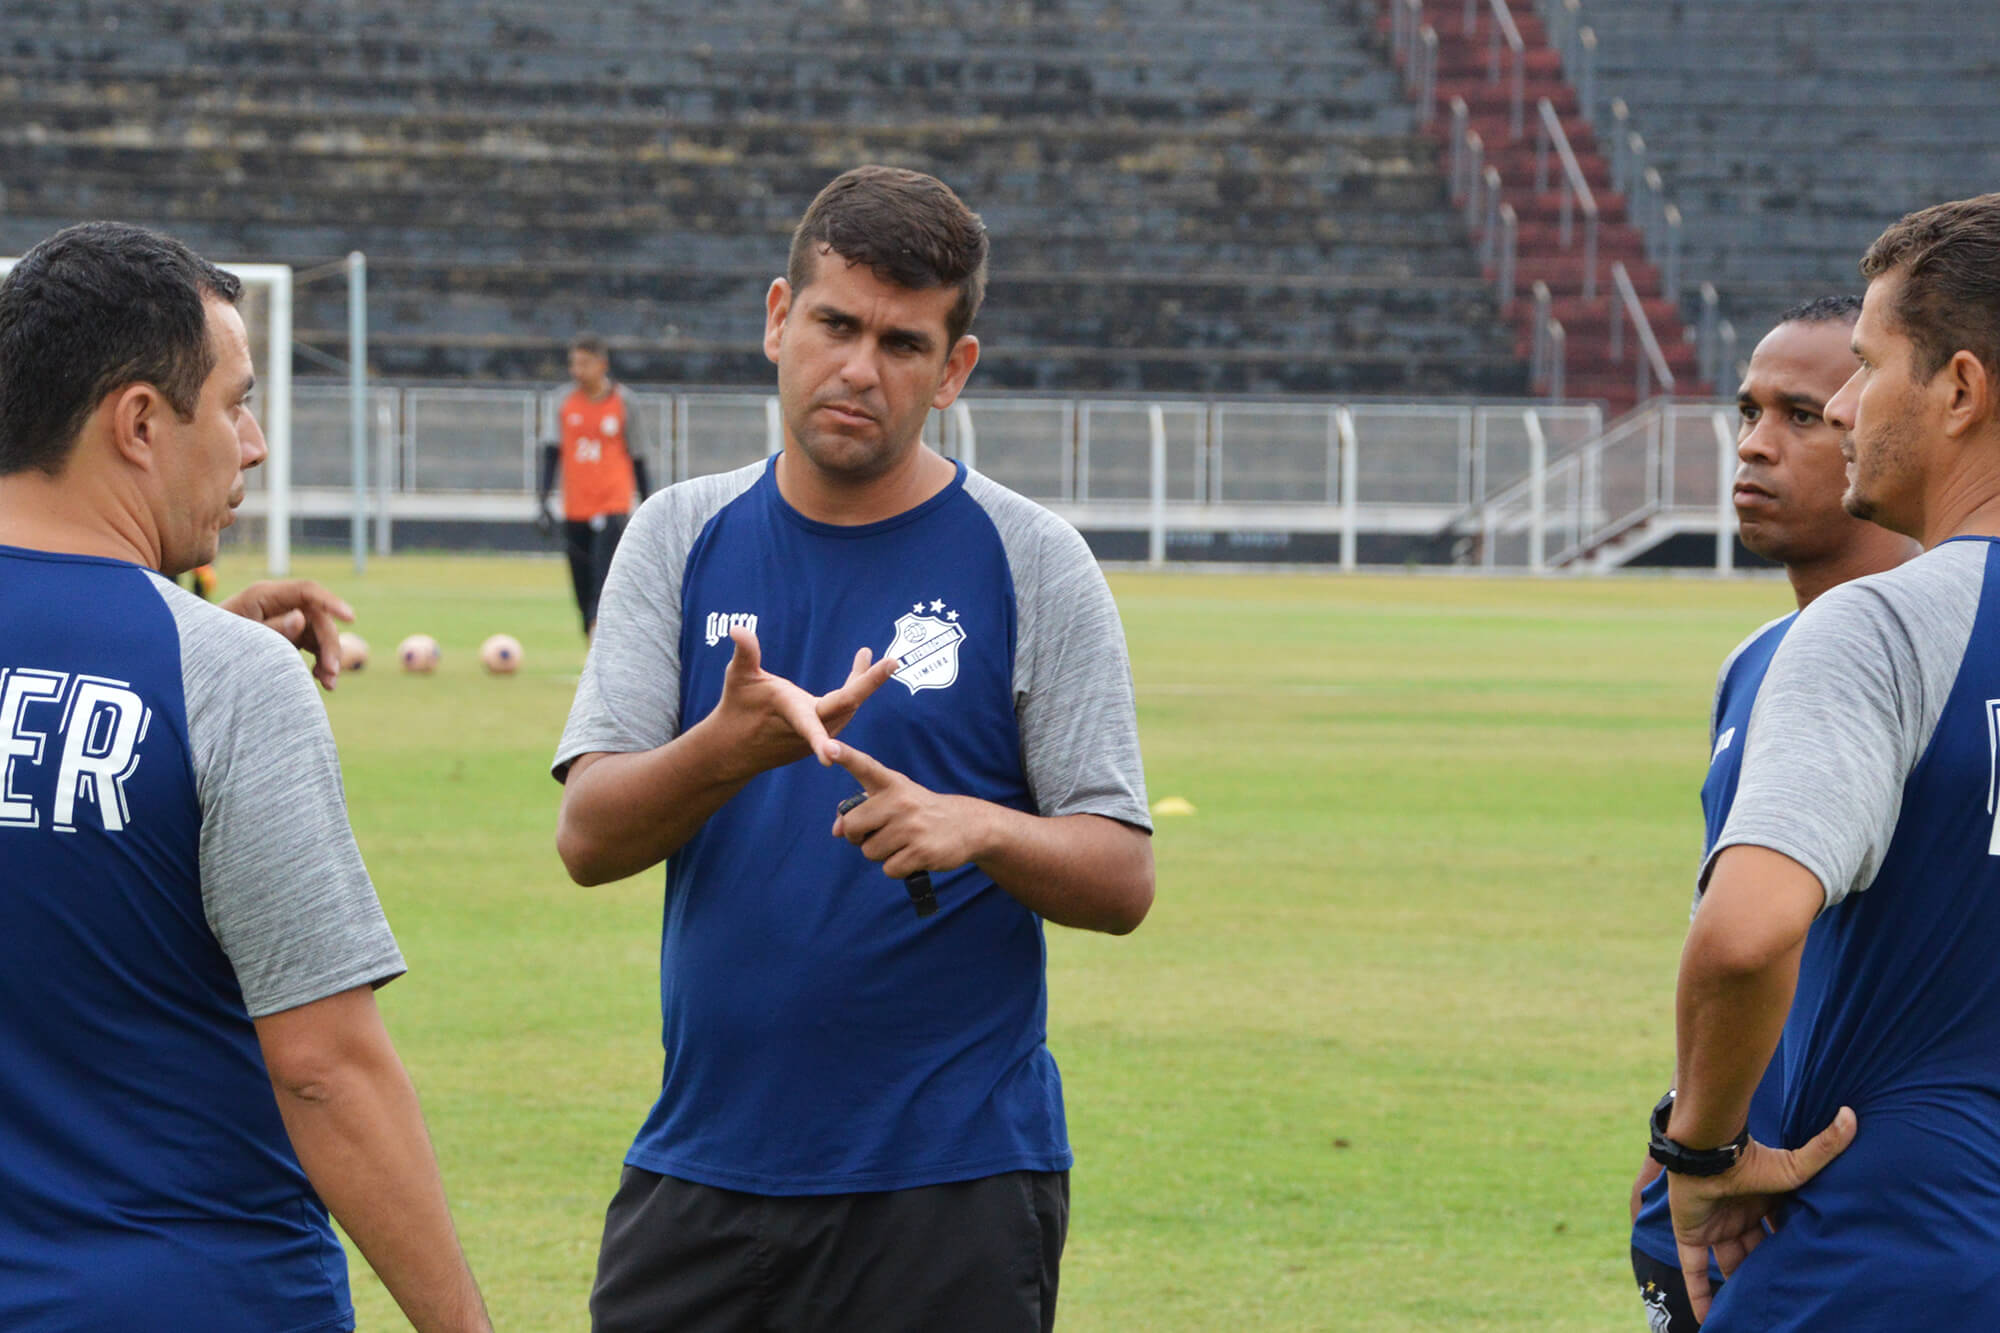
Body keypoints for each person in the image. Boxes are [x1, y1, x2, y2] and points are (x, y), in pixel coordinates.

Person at [552, 165, 1154, 1333]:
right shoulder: (677, 537)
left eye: (903, 342)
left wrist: (973, 826)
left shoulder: (1031, 561)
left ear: (951, 372)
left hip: (953, 1187)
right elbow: (587, 838)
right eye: (834, 324)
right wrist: (724, 751)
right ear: (779, 317)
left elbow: (1121, 874)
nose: (859, 368)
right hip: (706, 1169)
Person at [0, 221, 490, 1332]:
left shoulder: (203, 659)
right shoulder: (224, 679)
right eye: (233, 402)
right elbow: (325, 1068)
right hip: (198, 1292)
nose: (255, 443)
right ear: (137, 423)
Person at [1663, 192, 2000, 1329]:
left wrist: (1699, 1148)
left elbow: (1744, 932)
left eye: (1863, 367)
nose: (1847, 408)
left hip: (1887, 1255)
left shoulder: (1877, 627)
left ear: (1957, 388)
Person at [1625, 296, 1918, 1331]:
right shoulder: (1752, 662)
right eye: (1745, 411)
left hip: (1862, 1197)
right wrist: (1683, 1127)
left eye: (1801, 415)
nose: (1753, 446)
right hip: (1728, 1183)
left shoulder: (1931, 653)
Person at [538, 332, 651, 634]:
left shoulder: (624, 401)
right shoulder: (563, 401)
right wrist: (542, 500)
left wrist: (646, 502)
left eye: (584, 364)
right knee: (581, 587)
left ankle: (600, 656)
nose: (577, 371)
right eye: (573, 364)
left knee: (604, 585)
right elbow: (552, 452)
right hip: (575, 506)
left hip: (612, 504)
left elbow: (638, 456)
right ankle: (593, 654)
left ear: (602, 365)